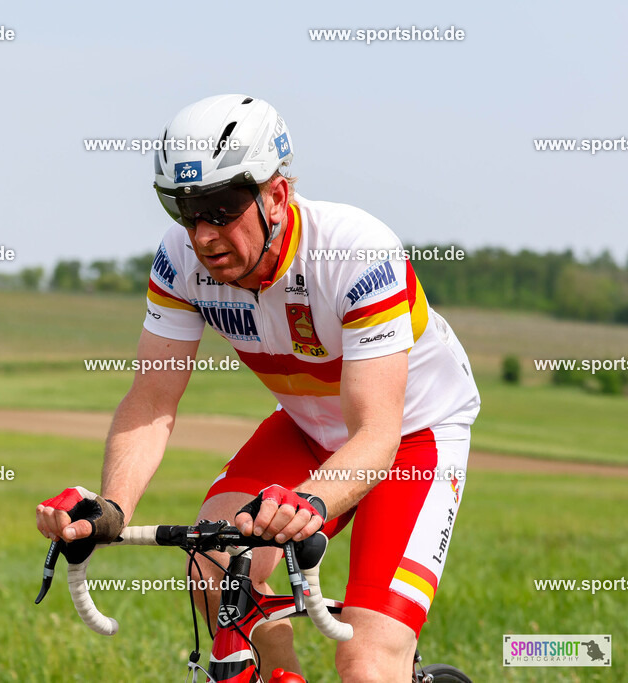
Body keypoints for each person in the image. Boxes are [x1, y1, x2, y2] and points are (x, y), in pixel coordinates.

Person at [36, 94, 480, 682]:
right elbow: (150, 403)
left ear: (276, 195)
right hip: (308, 426)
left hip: (411, 437)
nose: (203, 235)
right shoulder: (179, 262)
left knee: (366, 660)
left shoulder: (354, 253)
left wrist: (311, 503)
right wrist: (113, 507)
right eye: (184, 210)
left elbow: (377, 433)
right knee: (215, 567)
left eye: (220, 209)